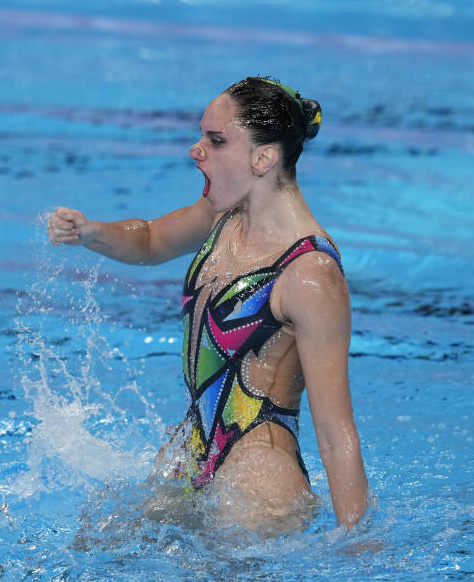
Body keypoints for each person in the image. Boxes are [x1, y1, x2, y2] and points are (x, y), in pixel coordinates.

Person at [47, 77, 368, 531]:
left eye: (215, 141)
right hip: (192, 458)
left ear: (263, 158)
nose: (196, 151)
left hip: (259, 486)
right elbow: (152, 239)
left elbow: (337, 436)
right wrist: (91, 232)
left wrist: (358, 547)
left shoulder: (310, 273)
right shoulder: (224, 217)